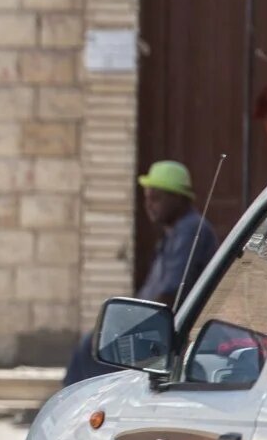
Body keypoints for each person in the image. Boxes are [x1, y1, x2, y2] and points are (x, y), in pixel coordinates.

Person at [63, 160, 220, 385]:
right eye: (147, 198)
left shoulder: (190, 231)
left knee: (96, 349)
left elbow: (170, 292)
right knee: (92, 346)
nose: (149, 205)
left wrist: (134, 324)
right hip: (156, 329)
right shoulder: (174, 233)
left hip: (170, 335)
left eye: (156, 198)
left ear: (177, 198)